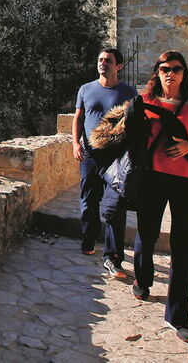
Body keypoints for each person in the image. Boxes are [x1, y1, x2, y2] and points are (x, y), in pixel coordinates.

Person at [132, 50, 188, 344]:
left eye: (176, 69)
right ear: (158, 73)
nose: (170, 73)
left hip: (187, 182)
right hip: (152, 178)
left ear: (183, 73)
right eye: (165, 68)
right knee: (147, 233)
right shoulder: (145, 104)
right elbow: (129, 136)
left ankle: (178, 315)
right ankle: (143, 277)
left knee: (181, 248)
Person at [72, 48, 137, 278]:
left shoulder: (129, 92)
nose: (102, 63)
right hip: (90, 155)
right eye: (100, 59)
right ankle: (89, 237)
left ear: (118, 66)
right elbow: (79, 118)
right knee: (88, 200)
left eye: (108, 61)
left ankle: (112, 257)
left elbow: (134, 123)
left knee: (114, 207)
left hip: (115, 157)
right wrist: (76, 144)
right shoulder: (86, 89)